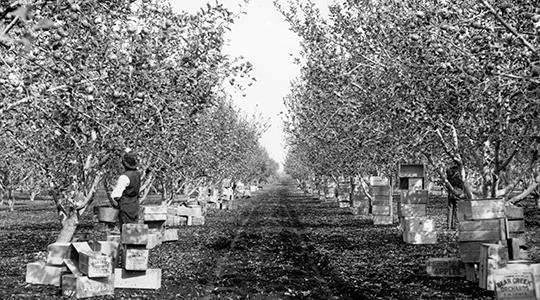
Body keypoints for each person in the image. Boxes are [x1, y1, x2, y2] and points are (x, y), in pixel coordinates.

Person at [110, 151, 141, 229]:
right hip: (135, 205)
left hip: (125, 206)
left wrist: (114, 198)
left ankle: (127, 241)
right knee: (133, 229)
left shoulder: (124, 177)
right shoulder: (137, 174)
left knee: (126, 229)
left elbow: (116, 195)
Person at [446, 164, 465, 229]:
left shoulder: (449, 171)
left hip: (451, 192)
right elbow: (462, 184)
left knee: (450, 209)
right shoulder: (460, 173)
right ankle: (455, 226)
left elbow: (447, 183)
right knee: (457, 209)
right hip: (458, 193)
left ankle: (448, 226)